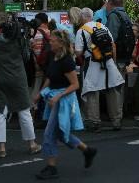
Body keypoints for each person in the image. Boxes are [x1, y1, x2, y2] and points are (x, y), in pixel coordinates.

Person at [34, 30, 97, 180]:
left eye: (53, 40)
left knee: (49, 133)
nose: (50, 42)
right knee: (61, 134)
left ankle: (52, 167)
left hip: (64, 100)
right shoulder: (53, 56)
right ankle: (87, 150)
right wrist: (40, 94)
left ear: (61, 43)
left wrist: (58, 96)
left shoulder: (67, 61)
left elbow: (75, 85)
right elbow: (50, 77)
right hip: (54, 97)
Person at [0, 13, 41, 158]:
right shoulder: (19, 40)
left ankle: (1, 148)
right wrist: (26, 39)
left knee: (1, 112)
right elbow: (26, 57)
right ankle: (32, 144)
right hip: (17, 78)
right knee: (24, 110)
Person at [75, 8, 125, 132]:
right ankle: (116, 120)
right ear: (91, 16)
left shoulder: (81, 30)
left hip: (92, 63)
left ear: (82, 17)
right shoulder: (102, 26)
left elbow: (78, 52)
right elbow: (113, 46)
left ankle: (94, 122)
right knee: (112, 90)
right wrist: (113, 62)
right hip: (108, 62)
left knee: (92, 91)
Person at [30, 12, 51, 109]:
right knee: (47, 86)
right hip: (48, 65)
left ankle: (33, 108)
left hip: (38, 65)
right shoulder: (50, 32)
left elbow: (35, 51)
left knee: (36, 86)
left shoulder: (36, 33)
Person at [106, 0, 134, 66]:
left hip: (116, 56)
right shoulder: (125, 15)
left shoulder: (113, 16)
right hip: (126, 54)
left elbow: (111, 38)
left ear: (111, 3)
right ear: (122, 3)